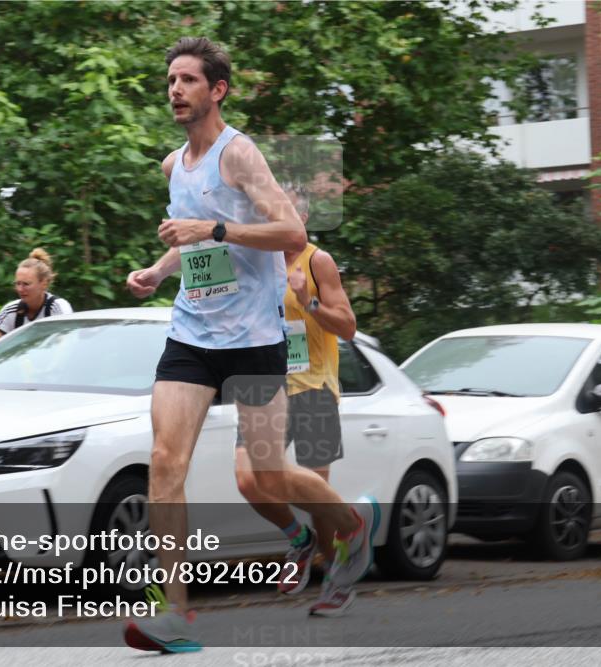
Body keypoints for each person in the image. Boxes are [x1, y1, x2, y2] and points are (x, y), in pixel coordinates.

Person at [123, 37, 377, 654]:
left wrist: (213, 226)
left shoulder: (239, 155)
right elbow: (193, 240)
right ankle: (174, 618)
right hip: (191, 333)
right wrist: (160, 271)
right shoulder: (172, 165)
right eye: (171, 80)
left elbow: (290, 230)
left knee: (267, 475)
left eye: (188, 80)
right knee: (164, 461)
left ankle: (349, 525)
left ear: (217, 90)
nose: (175, 89)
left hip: (256, 340)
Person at [234, 186, 359, 615]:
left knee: (319, 498)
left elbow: (348, 327)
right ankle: (298, 540)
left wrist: (308, 301)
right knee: (248, 480)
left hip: (314, 389)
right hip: (264, 384)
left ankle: (337, 576)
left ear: (301, 218)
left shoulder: (317, 260)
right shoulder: (255, 259)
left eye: (287, 213)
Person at [0, 248, 71, 352]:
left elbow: (64, 348)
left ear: (44, 284)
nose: (20, 289)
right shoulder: (11, 311)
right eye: (17, 283)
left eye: (26, 284)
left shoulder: (57, 308)